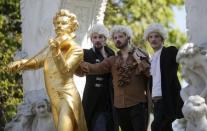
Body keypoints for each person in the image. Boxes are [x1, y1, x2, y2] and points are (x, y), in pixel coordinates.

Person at [8, 9, 87, 131]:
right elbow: (35, 62)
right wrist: (19, 63)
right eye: (57, 23)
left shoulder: (76, 49)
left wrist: (57, 52)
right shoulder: (51, 49)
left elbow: (65, 70)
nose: (59, 26)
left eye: (64, 23)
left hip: (66, 97)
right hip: (54, 100)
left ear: (71, 27)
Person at [80, 25, 150, 131]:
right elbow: (95, 68)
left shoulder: (139, 53)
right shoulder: (112, 59)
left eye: (120, 37)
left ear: (128, 37)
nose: (117, 40)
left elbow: (149, 73)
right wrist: (78, 64)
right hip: (120, 107)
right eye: (115, 38)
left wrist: (139, 58)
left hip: (138, 105)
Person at [143, 23, 183, 131]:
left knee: (155, 126)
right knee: (165, 128)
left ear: (162, 39)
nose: (153, 39)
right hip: (156, 102)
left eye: (156, 36)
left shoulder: (170, 51)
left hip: (168, 99)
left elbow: (183, 57)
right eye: (150, 37)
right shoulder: (150, 60)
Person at [82, 24, 116, 131]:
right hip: (92, 98)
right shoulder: (86, 54)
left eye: (100, 37)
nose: (97, 40)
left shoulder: (111, 54)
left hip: (109, 98)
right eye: (95, 37)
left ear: (105, 39)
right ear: (91, 39)